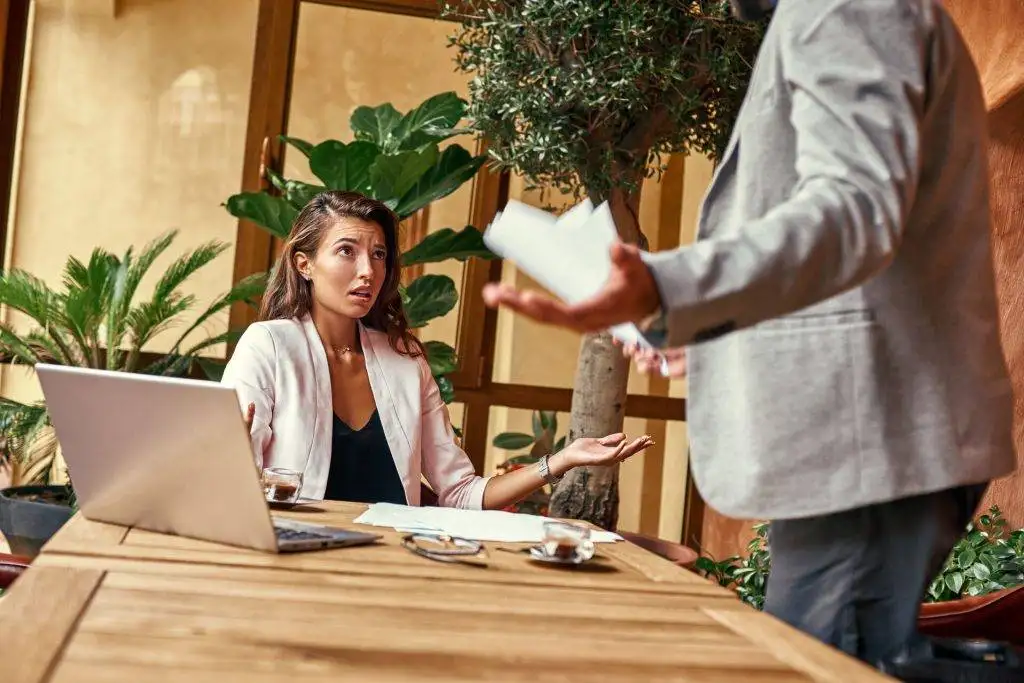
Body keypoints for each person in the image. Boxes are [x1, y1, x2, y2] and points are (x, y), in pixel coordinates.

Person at [481, 0, 1016, 667]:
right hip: (873, 437)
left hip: (870, 440)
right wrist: (712, 330)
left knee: (818, 668)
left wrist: (674, 287)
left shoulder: (846, 6)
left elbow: (853, 211)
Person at [221, 190, 652, 510]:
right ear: (304, 264)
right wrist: (226, 450)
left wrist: (560, 461)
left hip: (396, 565)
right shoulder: (269, 347)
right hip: (298, 561)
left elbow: (460, 492)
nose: (367, 271)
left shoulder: (404, 360)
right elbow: (232, 484)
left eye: (378, 254)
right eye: (346, 252)